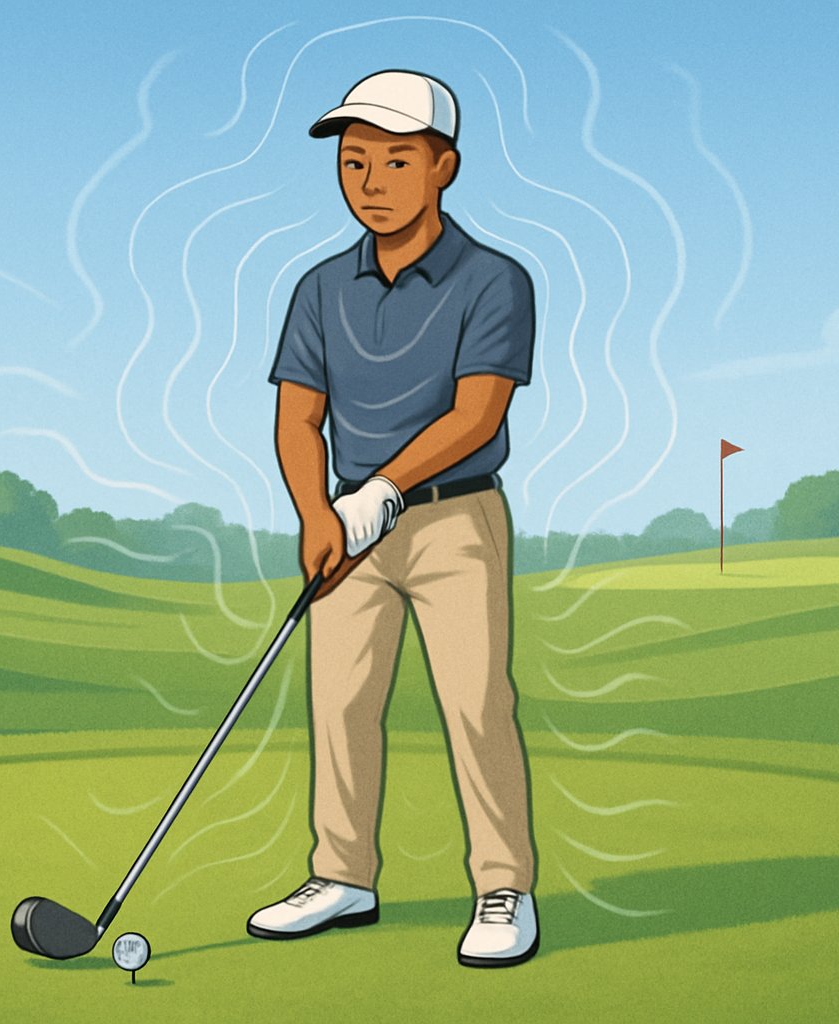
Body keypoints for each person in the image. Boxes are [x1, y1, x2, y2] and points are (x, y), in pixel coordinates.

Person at [248, 69, 539, 968]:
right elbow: (299, 416)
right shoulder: (320, 288)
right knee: (338, 703)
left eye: (395, 160)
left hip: (455, 520)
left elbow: (476, 414)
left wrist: (382, 490)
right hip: (345, 527)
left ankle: (504, 886)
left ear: (443, 166)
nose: (369, 180)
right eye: (354, 159)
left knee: (476, 702)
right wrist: (315, 514)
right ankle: (342, 876)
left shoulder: (495, 280)